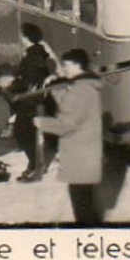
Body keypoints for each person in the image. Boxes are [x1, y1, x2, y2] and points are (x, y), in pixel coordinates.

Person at [34, 49, 103, 226]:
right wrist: (57, 88)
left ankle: (88, 239)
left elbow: (67, 123)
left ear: (76, 65)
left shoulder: (80, 90)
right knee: (84, 200)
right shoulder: (85, 86)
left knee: (81, 204)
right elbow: (69, 107)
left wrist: (42, 123)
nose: (63, 69)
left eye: (66, 65)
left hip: (79, 152)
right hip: (85, 150)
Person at [13, 23, 58, 182]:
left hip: (30, 99)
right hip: (34, 98)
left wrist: (15, 89)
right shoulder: (37, 52)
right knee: (28, 132)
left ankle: (35, 166)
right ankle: (35, 165)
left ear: (26, 36)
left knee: (21, 132)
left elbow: (31, 79)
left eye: (21, 34)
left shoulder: (33, 56)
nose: (19, 37)